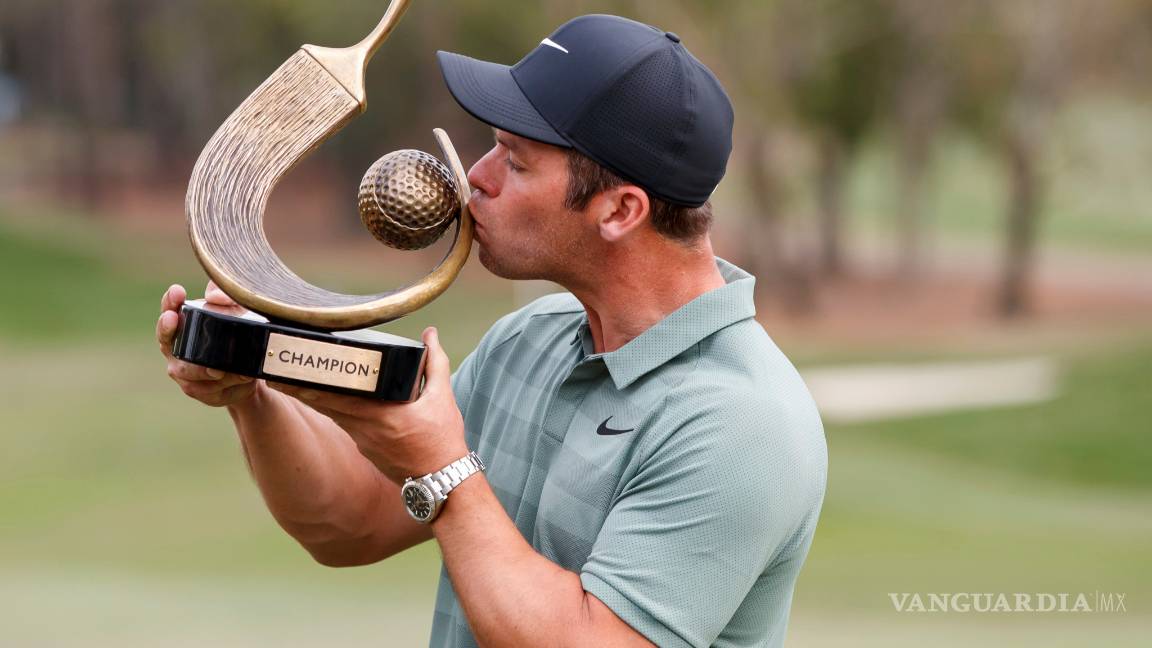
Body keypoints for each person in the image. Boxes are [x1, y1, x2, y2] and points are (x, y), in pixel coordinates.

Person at [156, 14, 826, 648]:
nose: (475, 178)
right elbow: (347, 525)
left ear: (621, 210)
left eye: (515, 160)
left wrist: (442, 469)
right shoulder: (530, 339)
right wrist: (250, 390)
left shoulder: (741, 423)